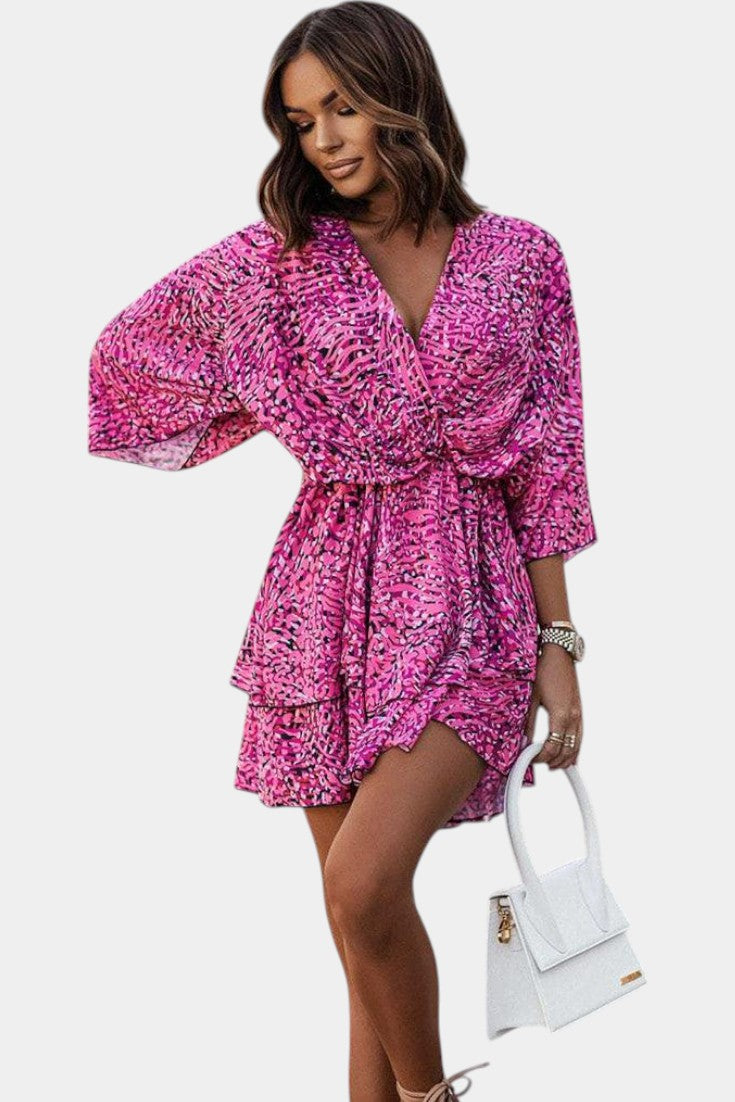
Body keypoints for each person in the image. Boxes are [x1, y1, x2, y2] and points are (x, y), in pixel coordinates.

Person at [87, 3, 597, 1099]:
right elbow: (124, 360)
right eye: (298, 119)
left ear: (400, 95)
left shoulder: (523, 258)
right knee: (357, 926)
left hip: (476, 605)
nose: (321, 138)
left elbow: (550, 459)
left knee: (363, 889)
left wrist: (559, 645)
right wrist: (274, 401)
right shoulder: (280, 263)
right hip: (322, 603)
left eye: (342, 106)